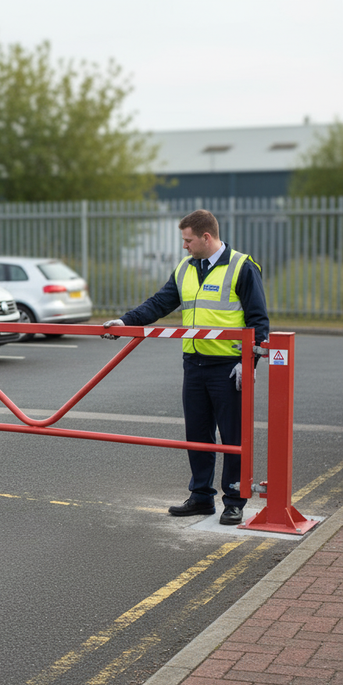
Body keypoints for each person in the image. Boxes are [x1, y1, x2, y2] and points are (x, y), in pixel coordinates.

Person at [102, 209, 269, 525]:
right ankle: (202, 497)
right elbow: (158, 303)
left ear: (206, 237)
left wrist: (250, 363)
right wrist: (124, 321)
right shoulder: (185, 269)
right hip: (194, 365)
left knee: (233, 436)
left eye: (188, 240)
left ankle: (234, 499)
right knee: (198, 435)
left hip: (227, 368)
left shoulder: (242, 268)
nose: (184, 246)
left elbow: (259, 321)